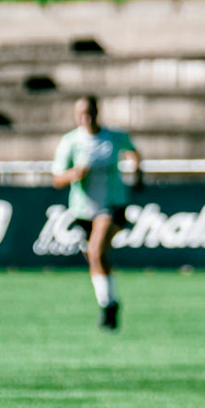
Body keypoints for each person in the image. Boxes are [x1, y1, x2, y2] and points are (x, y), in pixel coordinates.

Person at [52, 95, 142, 329]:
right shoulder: (70, 141)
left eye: (89, 112)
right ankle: (109, 302)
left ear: (97, 113)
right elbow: (57, 178)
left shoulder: (113, 137)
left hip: (111, 205)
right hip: (83, 210)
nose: (85, 118)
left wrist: (137, 173)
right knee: (96, 257)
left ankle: (107, 307)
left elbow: (133, 151)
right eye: (80, 113)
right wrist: (74, 174)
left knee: (95, 251)